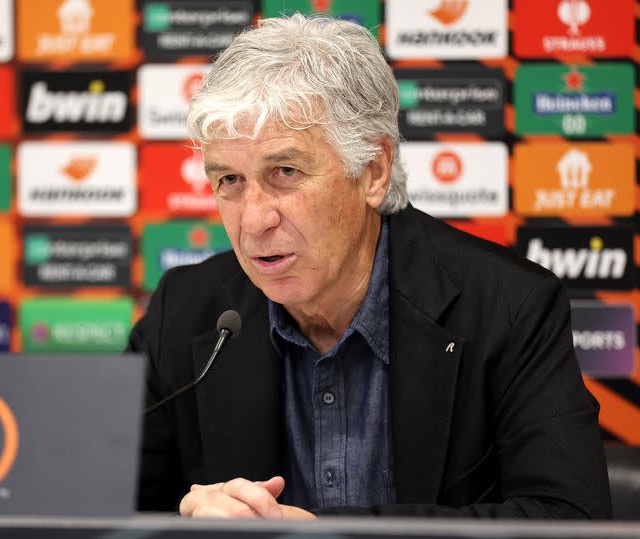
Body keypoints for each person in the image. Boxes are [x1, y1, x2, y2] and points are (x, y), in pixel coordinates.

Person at [127, 14, 611, 519]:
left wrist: (323, 534)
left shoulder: (509, 307)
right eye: (228, 179)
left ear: (373, 173)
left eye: (285, 172)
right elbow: (98, 510)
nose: (253, 221)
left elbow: (570, 518)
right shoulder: (183, 313)